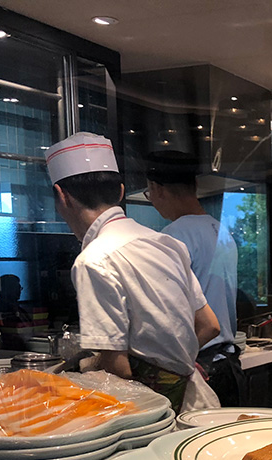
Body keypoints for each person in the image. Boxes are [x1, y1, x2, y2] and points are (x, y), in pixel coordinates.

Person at [45, 132, 220, 412]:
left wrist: (86, 370)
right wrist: (176, 364)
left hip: (156, 418)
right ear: (121, 191)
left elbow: (118, 369)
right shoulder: (167, 243)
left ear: (62, 196)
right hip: (198, 404)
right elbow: (209, 325)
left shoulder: (94, 260)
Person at [144, 150, 244, 406]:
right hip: (228, 364)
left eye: (148, 193)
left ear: (157, 188)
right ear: (195, 185)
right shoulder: (221, 231)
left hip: (200, 367)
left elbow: (168, 311)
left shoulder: (173, 237)